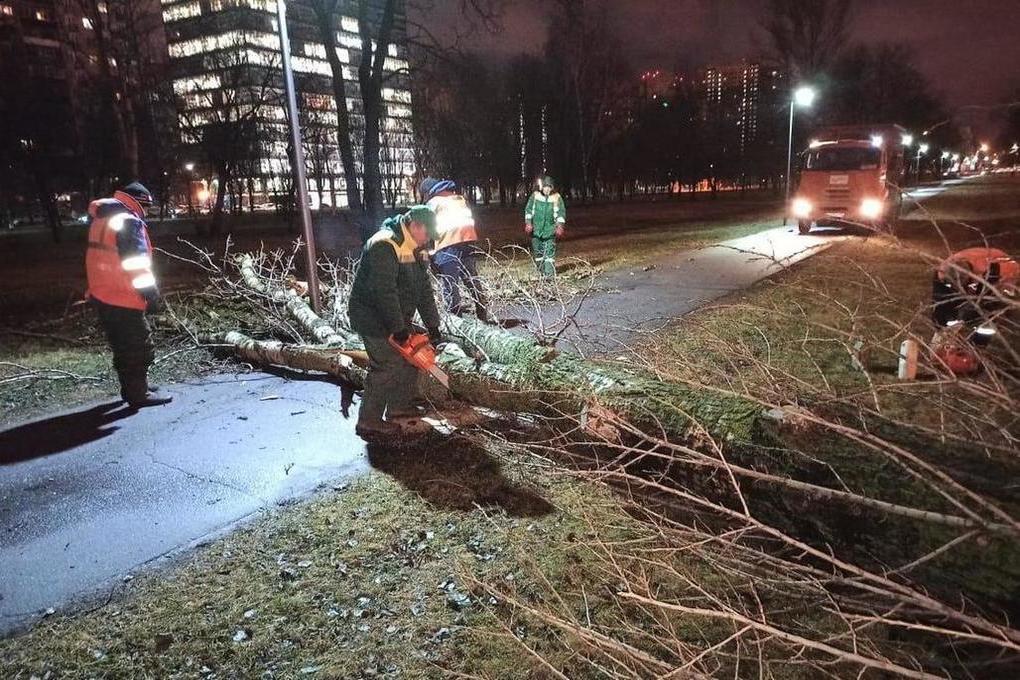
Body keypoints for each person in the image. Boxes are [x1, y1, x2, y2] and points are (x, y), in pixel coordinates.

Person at [348, 205, 444, 439]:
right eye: (427, 233)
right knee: (386, 364)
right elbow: (384, 292)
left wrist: (433, 324)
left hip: (395, 316)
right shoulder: (385, 244)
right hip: (372, 316)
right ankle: (368, 421)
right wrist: (398, 328)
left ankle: (399, 407)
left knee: (413, 358)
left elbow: (423, 290)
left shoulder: (418, 249)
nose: (429, 239)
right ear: (414, 226)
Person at [85, 182, 172, 409]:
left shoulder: (103, 218)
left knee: (122, 344)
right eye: (148, 207)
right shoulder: (128, 221)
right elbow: (136, 263)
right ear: (140, 202)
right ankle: (138, 393)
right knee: (138, 344)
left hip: (103, 293)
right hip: (122, 295)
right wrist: (150, 294)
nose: (148, 212)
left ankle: (133, 387)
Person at [419, 177, 490, 322]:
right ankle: (482, 314)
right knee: (471, 280)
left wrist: (427, 253)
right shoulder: (459, 199)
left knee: (450, 284)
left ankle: (455, 322)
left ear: (427, 192)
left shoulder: (433, 203)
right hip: (466, 242)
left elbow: (425, 230)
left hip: (448, 245)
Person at [524, 175, 567, 277]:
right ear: (542, 187)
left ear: (552, 187)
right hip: (536, 230)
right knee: (538, 254)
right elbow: (528, 210)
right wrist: (528, 223)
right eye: (545, 187)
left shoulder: (557, 198)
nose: (547, 189)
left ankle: (549, 275)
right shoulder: (535, 196)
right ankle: (541, 272)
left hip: (550, 230)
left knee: (549, 254)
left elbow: (561, 213)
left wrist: (560, 226)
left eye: (549, 187)